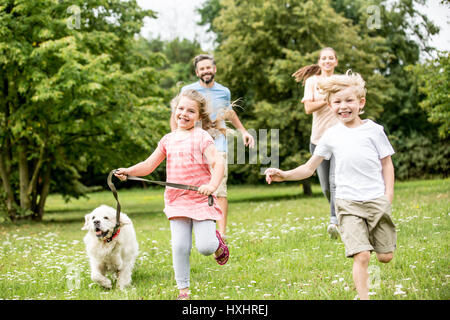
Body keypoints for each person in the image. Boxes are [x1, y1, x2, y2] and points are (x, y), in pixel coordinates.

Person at [265, 72, 396, 300]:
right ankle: (363, 297)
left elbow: (387, 163)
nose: (343, 106)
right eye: (337, 102)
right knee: (362, 254)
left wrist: (388, 195)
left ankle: (375, 241)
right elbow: (309, 168)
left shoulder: (374, 130)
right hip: (347, 202)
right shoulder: (331, 135)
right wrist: (284, 175)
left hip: (376, 200)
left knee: (385, 256)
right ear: (329, 105)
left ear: (361, 103)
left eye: (349, 101)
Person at [115, 89, 230, 300]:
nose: (184, 114)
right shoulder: (168, 139)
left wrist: (212, 185)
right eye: (181, 109)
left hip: (200, 199)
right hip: (176, 201)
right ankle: (183, 291)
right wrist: (129, 171)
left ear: (199, 116)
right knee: (179, 246)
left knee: (204, 247)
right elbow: (149, 165)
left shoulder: (202, 136)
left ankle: (217, 244)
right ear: (174, 110)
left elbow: (217, 162)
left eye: (191, 111)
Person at [171, 54, 255, 240]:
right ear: (196, 72)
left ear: (214, 69)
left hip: (218, 146)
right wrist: (176, 138)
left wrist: (243, 131)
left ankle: (222, 234)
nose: (206, 71)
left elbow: (229, 113)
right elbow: (176, 114)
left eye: (208, 68)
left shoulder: (224, 92)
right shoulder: (188, 90)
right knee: (193, 187)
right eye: (202, 69)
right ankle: (194, 229)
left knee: (220, 189)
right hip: (193, 146)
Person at [292, 47, 340, 239]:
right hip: (318, 140)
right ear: (319, 62)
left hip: (339, 139)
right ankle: (341, 212)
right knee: (326, 187)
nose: (327, 61)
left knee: (335, 182)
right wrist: (327, 98)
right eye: (324, 58)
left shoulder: (341, 81)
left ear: (336, 61)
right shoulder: (312, 81)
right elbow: (308, 108)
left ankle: (334, 221)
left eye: (331, 58)